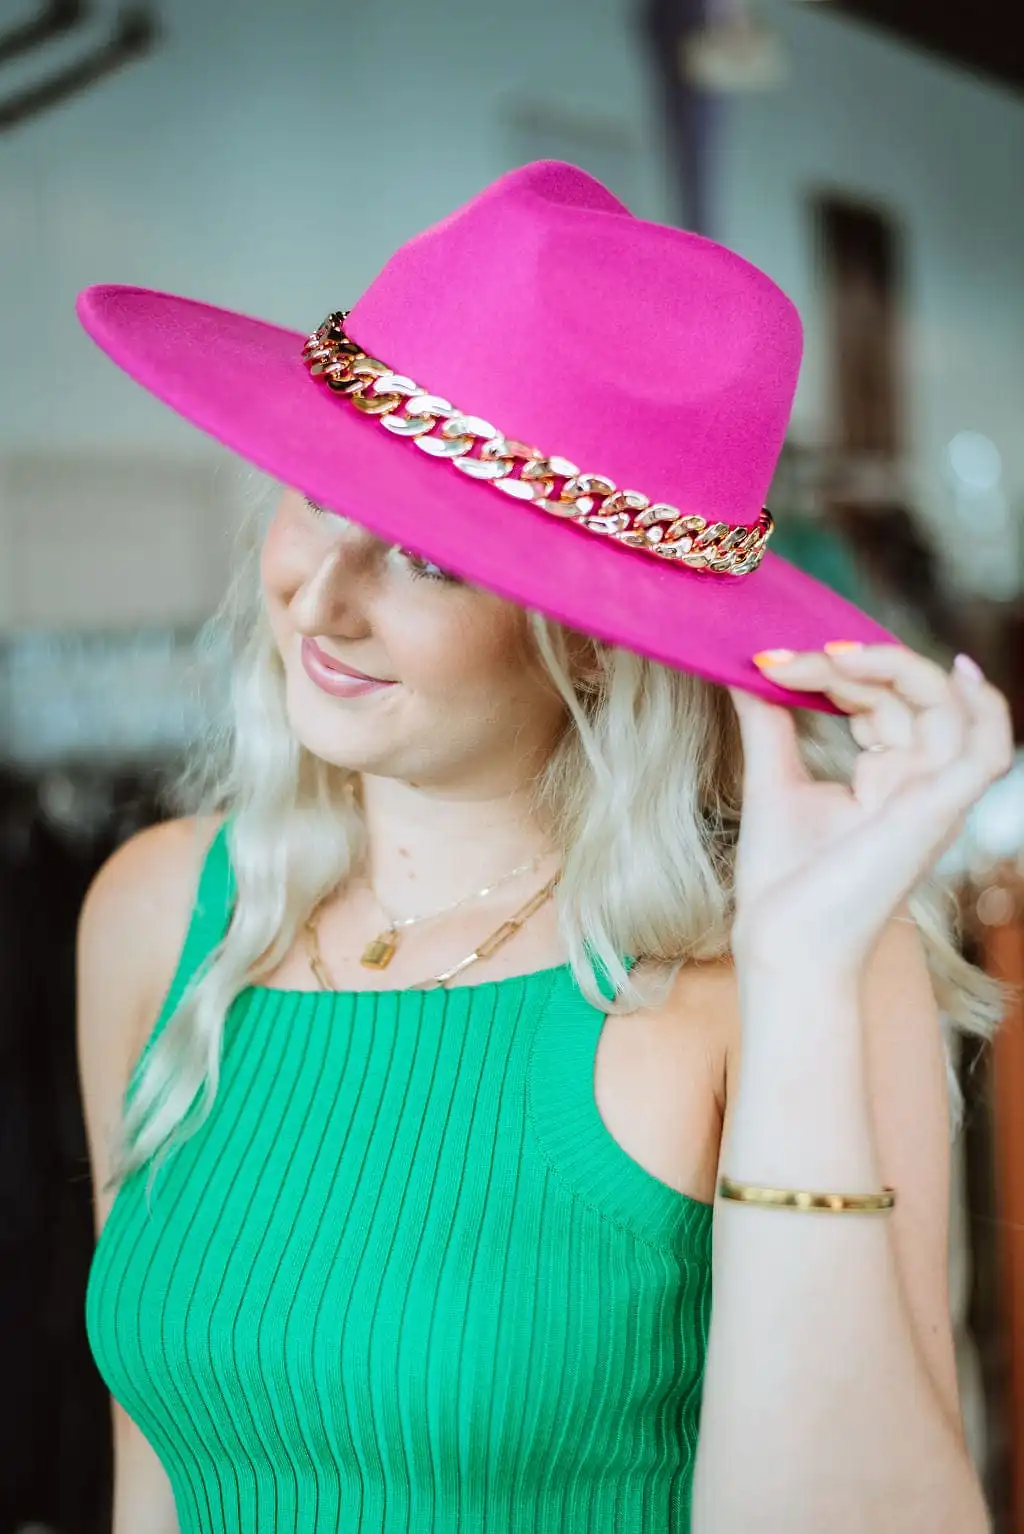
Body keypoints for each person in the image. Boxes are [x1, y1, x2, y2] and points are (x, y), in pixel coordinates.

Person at [74, 161, 1012, 1534]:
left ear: (596, 629)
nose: (320, 598)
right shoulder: (164, 912)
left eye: (431, 558)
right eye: (323, 494)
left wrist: (804, 972)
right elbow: (150, 1477)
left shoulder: (792, 972)